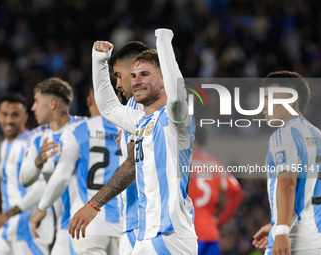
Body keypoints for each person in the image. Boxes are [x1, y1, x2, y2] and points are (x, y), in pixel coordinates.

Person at [69, 28, 197, 254]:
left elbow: (177, 94)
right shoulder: (139, 120)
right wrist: (99, 61)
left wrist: (163, 40)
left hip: (171, 235)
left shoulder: (176, 119)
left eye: (145, 75)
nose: (135, 81)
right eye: (133, 76)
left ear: (164, 79)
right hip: (145, 235)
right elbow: (107, 107)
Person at [30, 85, 123, 255]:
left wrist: (41, 208)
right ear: (121, 98)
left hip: (87, 224)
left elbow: (61, 176)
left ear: (89, 100)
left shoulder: (77, 129)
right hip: (124, 226)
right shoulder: (128, 130)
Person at [252, 71, 321, 255]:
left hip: (294, 242)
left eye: (269, 98)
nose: (263, 106)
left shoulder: (283, 135)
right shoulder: (318, 135)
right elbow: (309, 189)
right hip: (320, 239)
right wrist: (275, 224)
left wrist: (281, 231)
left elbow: (287, 184)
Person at [20, 77, 85, 255]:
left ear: (52, 104)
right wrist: (37, 162)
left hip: (91, 220)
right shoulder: (37, 138)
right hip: (64, 226)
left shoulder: (83, 128)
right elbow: (25, 179)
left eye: (36, 101)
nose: (33, 108)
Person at [0, 93, 53, 255]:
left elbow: (41, 189)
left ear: (24, 117)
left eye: (14, 115)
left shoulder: (31, 144)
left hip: (29, 230)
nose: (9, 120)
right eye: (5, 114)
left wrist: (6, 215)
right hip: (8, 228)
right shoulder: (4, 145)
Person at [108, 41, 148, 253]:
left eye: (117, 75)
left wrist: (94, 204)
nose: (117, 84)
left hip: (140, 222)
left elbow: (133, 163)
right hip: (144, 221)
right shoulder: (156, 104)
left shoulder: (138, 103)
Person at [188, 125, 244, 255]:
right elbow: (237, 193)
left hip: (188, 232)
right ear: (207, 141)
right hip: (210, 232)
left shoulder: (182, 163)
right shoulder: (215, 164)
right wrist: (221, 220)